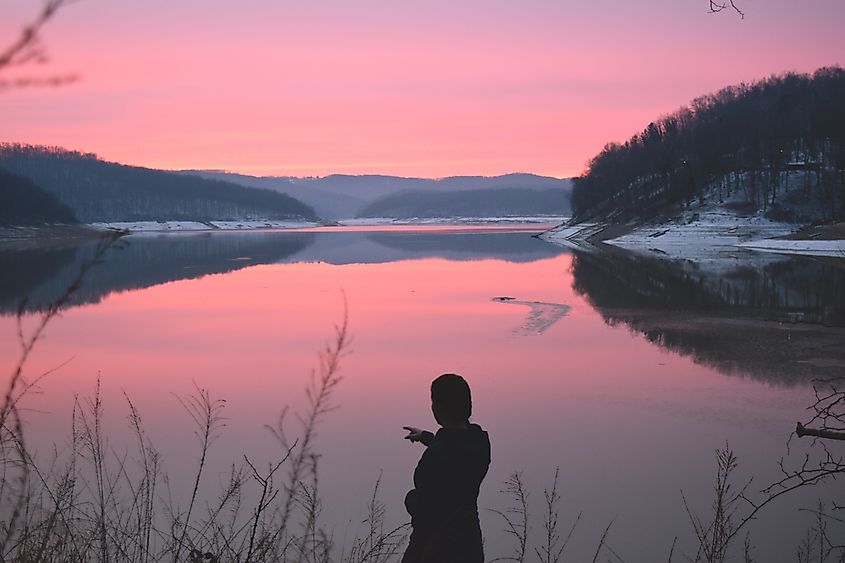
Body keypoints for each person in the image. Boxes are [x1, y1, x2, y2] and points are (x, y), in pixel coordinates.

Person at [401, 373, 491, 563]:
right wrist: (427, 437)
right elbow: (456, 454)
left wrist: (409, 498)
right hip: (469, 544)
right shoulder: (480, 443)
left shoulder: (437, 456)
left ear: (439, 407)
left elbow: (426, 511)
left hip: (435, 549)